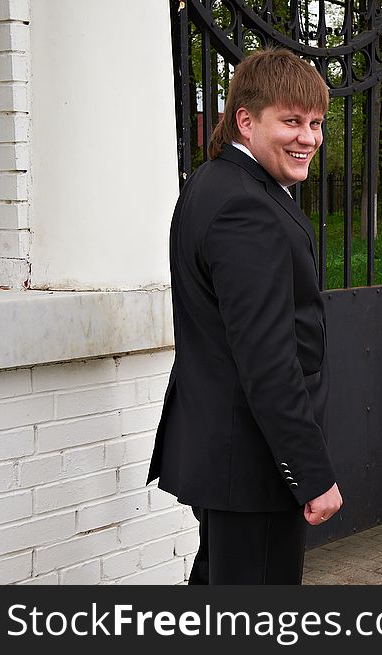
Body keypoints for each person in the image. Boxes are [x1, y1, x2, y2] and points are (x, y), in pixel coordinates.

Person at [147, 49, 342, 584]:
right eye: (292, 121)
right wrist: (311, 473)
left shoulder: (215, 184)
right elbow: (267, 359)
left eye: (316, 123)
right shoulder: (244, 207)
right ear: (246, 120)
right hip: (251, 466)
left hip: (229, 457)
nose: (309, 137)